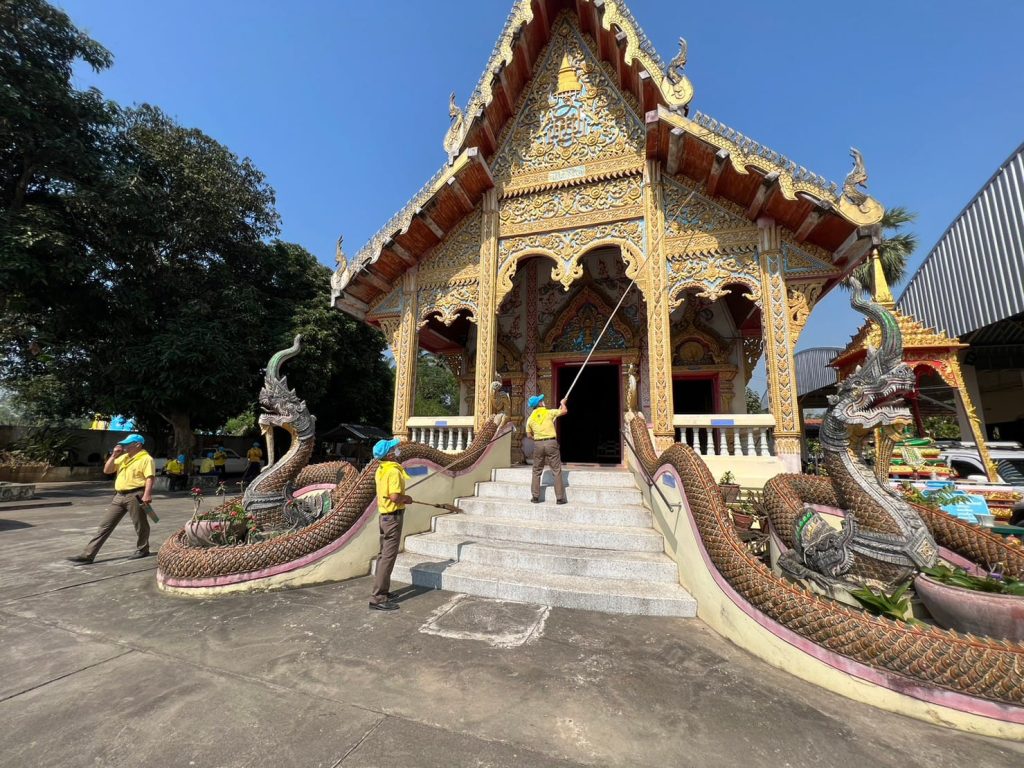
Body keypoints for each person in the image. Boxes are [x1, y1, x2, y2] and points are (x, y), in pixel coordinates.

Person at [67, 434, 155, 564]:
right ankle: (87, 555)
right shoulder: (123, 457)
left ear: (138, 444)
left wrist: (147, 494)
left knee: (140, 524)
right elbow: (107, 470)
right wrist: (114, 455)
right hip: (119, 495)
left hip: (136, 495)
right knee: (105, 525)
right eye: (124, 444)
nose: (124, 446)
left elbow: (149, 478)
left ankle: (143, 549)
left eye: (128, 444)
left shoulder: (146, 459)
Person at [369, 438, 412, 612]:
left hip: (384, 517)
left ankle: (383, 591)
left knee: (383, 555)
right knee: (388, 557)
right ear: (389, 454)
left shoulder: (381, 469)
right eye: (393, 449)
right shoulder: (393, 471)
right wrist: (406, 498)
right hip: (393, 518)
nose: (397, 450)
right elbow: (394, 497)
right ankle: (378, 598)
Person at [525, 393, 568, 505]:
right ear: (539, 404)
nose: (543, 401)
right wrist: (562, 403)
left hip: (538, 444)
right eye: (541, 400)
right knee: (556, 470)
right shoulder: (549, 412)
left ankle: (535, 497)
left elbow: (529, 435)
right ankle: (560, 498)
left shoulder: (530, 419)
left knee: (536, 471)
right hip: (551, 443)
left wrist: (537, 438)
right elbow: (564, 411)